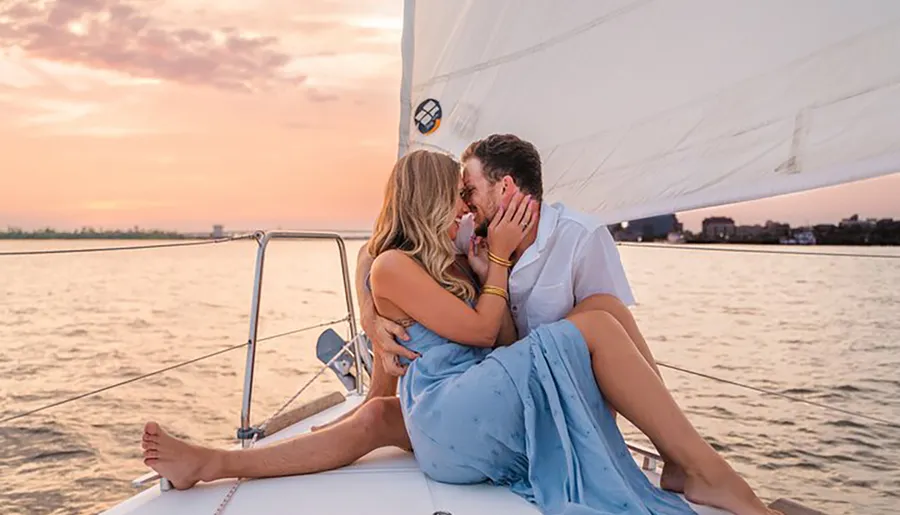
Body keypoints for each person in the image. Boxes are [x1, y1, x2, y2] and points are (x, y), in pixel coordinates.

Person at [141, 146, 778, 515]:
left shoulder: (451, 265)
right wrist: (494, 262)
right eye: (454, 196)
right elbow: (471, 331)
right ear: (427, 200)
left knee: (604, 313)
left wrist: (476, 269)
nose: (464, 208)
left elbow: (495, 343)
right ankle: (703, 469)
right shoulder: (395, 264)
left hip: (456, 407)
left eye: (467, 195)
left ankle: (217, 461)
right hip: (449, 414)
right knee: (598, 326)